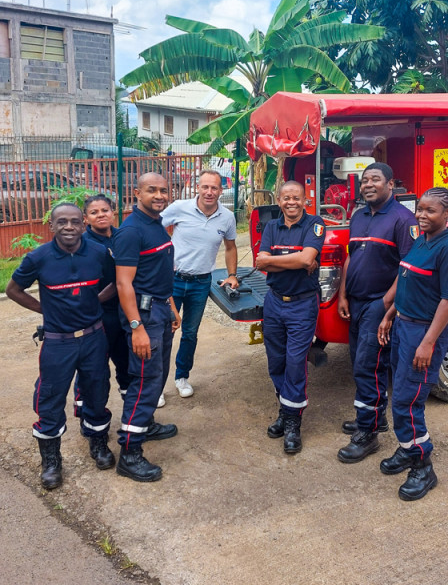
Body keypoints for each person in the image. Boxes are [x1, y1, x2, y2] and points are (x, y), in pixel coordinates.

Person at [6, 203, 115, 490]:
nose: (69, 226)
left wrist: (95, 302)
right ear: (51, 226)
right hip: (57, 342)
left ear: (83, 225)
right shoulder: (38, 258)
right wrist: (46, 310)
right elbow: (13, 290)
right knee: (50, 398)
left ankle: (98, 443)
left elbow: (118, 282)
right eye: (62, 222)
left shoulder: (99, 253)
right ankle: (52, 461)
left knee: (97, 389)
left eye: (75, 221)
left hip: (93, 337)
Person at [377, 187, 448, 501]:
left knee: (407, 401)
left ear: (447, 214)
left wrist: (428, 344)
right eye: (420, 209)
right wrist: (390, 314)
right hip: (403, 326)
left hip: (424, 334)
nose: (422, 215)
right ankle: (407, 449)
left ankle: (423, 466)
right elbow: (406, 281)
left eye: (430, 211)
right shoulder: (421, 240)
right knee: (400, 392)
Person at [336, 163, 417, 464]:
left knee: (367, 367)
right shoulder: (358, 216)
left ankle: (367, 434)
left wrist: (386, 304)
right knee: (362, 362)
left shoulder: (402, 219)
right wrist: (343, 294)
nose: (368, 184)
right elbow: (350, 258)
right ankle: (374, 418)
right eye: (365, 180)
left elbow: (408, 269)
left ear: (390, 184)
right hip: (355, 302)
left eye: (376, 180)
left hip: (377, 304)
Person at [113, 172, 181, 483]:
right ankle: (130, 453)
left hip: (159, 310)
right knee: (144, 382)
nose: (159, 195)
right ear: (137, 193)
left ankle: (147, 424)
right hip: (144, 316)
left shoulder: (155, 223)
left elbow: (157, 273)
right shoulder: (130, 231)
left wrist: (170, 307)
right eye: (151, 190)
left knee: (157, 376)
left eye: (163, 190)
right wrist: (137, 327)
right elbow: (123, 283)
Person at [256, 180, 326, 454]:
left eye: (296, 197)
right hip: (274, 303)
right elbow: (260, 260)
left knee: (296, 363)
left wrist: (277, 260)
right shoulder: (272, 227)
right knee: (276, 361)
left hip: (302, 305)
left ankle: (293, 424)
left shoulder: (314, 224)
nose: (291, 202)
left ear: (305, 199)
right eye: (286, 198)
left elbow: (307, 260)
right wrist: (296, 260)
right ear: (278, 200)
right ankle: (285, 412)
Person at [159, 169, 238, 403]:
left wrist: (232, 274)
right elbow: (155, 228)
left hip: (201, 282)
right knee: (164, 332)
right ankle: (156, 385)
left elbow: (231, 247)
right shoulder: (179, 207)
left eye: (214, 188)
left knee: (190, 333)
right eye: (205, 187)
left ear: (221, 191)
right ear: (197, 188)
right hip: (172, 280)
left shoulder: (227, 217)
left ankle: (182, 377)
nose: (209, 192)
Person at [73, 194, 130, 419]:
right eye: (94, 212)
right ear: (86, 219)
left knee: (127, 363)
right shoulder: (82, 244)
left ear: (113, 212)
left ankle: (133, 414)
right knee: (94, 367)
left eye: (105, 210)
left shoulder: (123, 237)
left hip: (125, 311)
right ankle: (87, 414)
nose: (101, 215)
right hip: (97, 315)